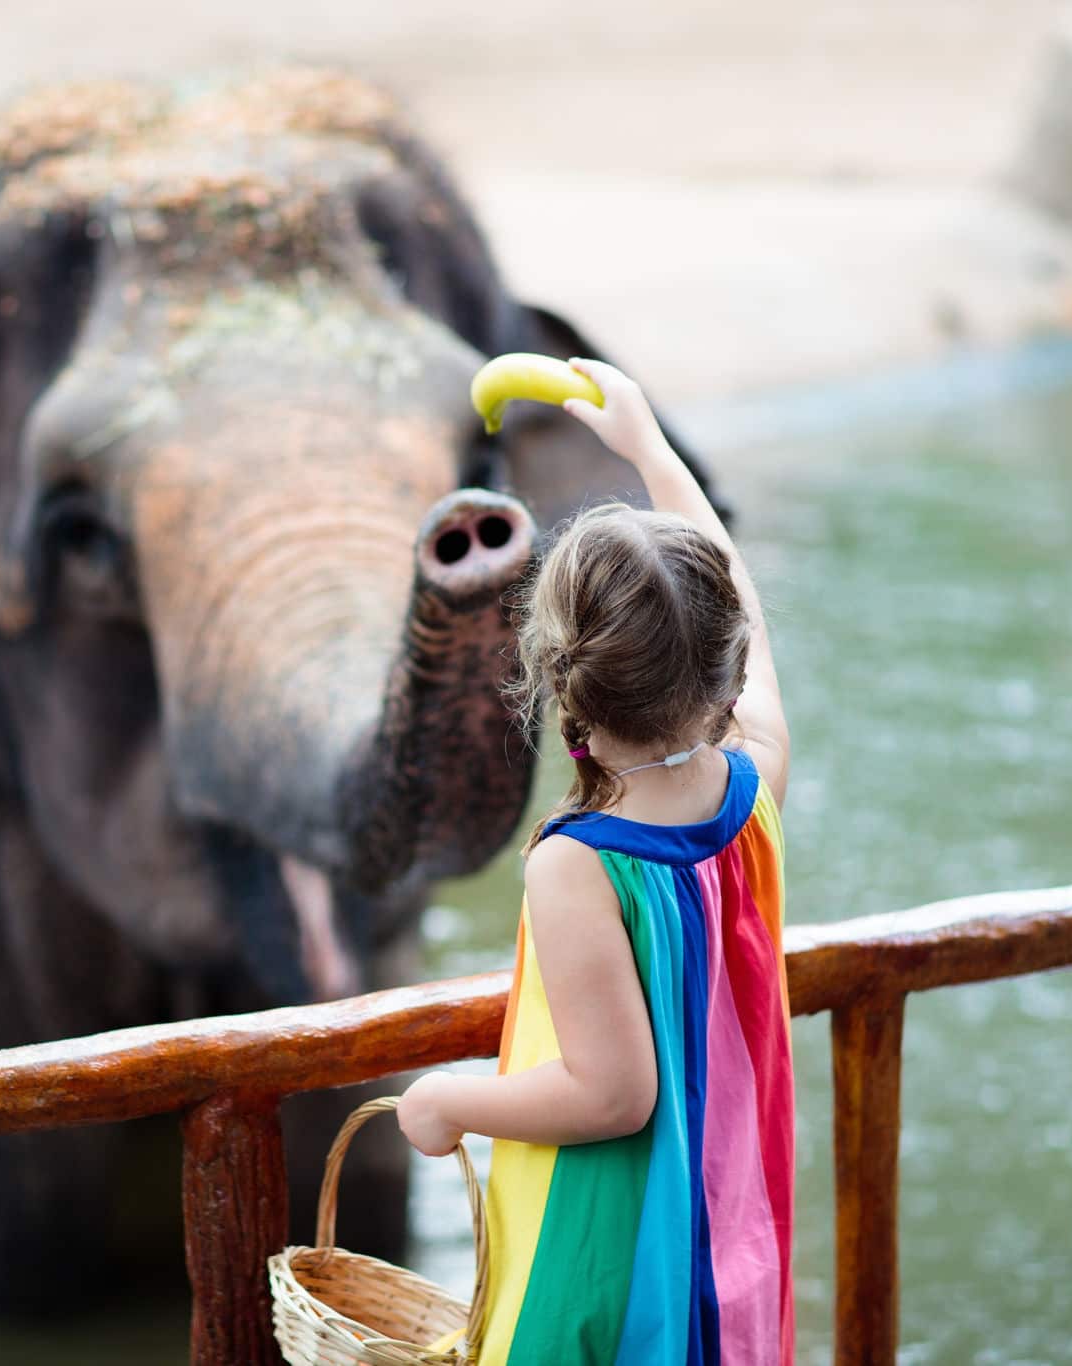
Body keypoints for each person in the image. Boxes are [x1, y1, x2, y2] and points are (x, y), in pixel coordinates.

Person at [398, 358, 794, 1365]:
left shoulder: (576, 864)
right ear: (729, 670)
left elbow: (614, 1094)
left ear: (555, 675)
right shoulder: (754, 785)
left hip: (610, 1262)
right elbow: (737, 599)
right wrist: (649, 451)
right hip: (728, 1228)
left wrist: (449, 1101)